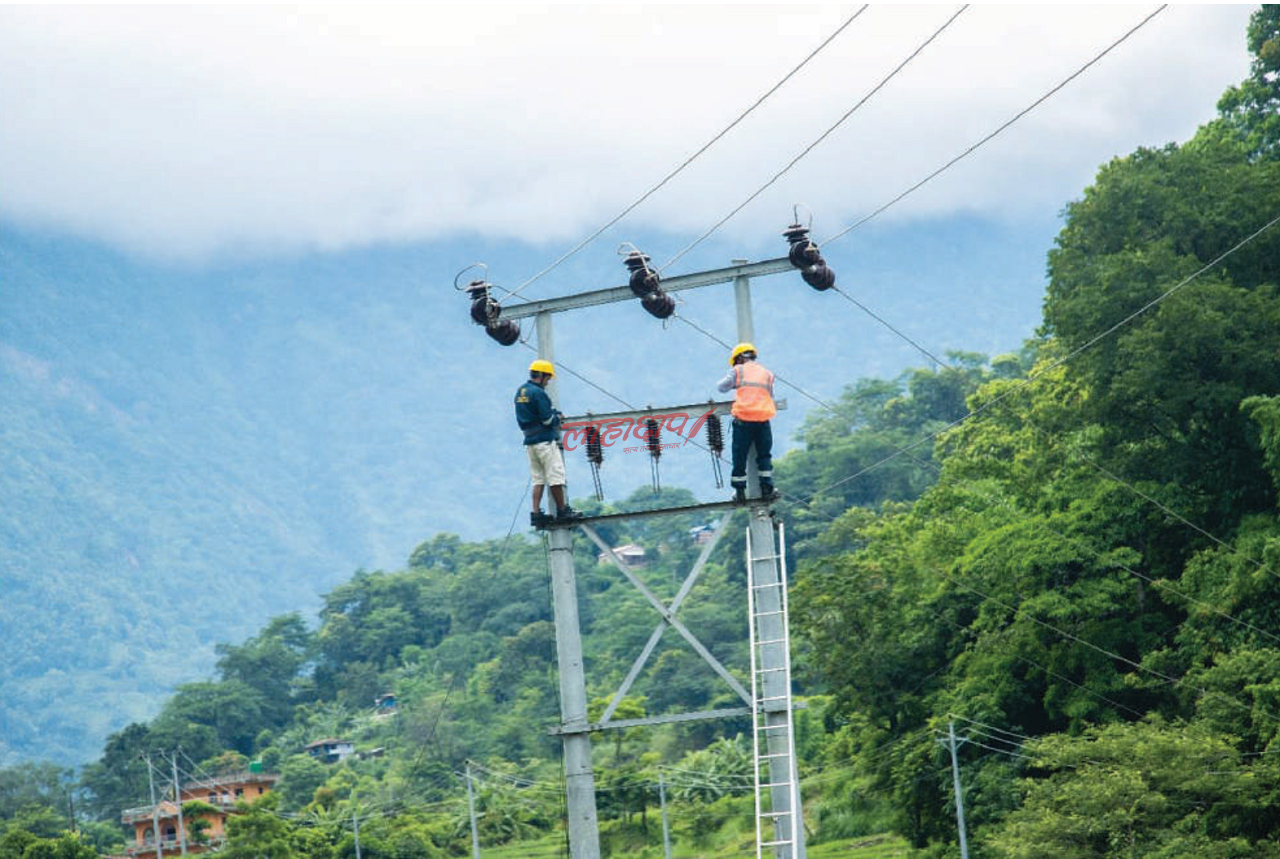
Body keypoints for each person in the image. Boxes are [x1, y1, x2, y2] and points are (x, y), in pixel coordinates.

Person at [515, 359, 583, 526]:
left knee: (538, 479)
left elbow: (536, 413)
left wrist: (553, 413)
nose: (548, 381)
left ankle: (536, 513)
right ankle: (562, 511)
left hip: (530, 442)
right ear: (542, 376)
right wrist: (557, 419)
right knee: (556, 476)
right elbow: (547, 419)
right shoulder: (538, 393)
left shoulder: (521, 391)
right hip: (544, 442)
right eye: (548, 378)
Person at [716, 342, 779, 503]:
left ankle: (740, 492)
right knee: (764, 456)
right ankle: (767, 488)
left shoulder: (738, 371)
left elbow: (721, 387)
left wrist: (736, 385)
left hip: (744, 420)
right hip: (763, 421)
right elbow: (769, 395)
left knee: (740, 457)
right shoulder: (767, 373)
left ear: (739, 359)